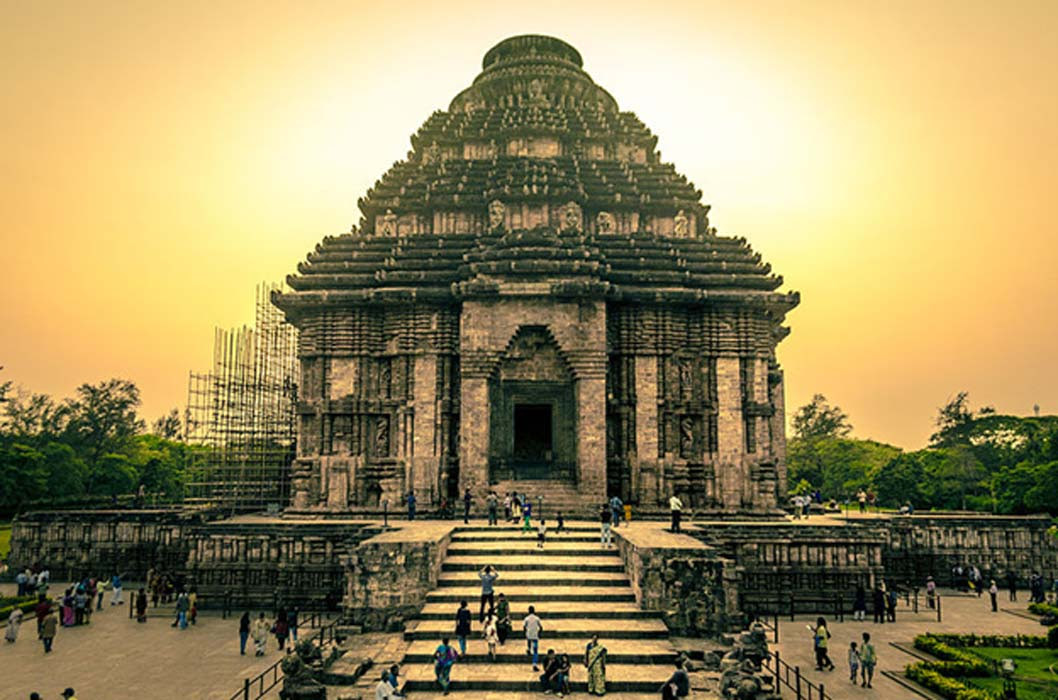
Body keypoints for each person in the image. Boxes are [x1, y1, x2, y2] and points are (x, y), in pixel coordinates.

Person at [523, 605, 543, 671]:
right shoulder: (537, 618)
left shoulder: (527, 618)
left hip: (529, 634)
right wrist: (539, 633)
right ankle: (534, 664)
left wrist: (525, 632)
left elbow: (524, 627)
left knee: (528, 640)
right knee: (535, 651)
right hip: (535, 635)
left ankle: (528, 648)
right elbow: (540, 627)